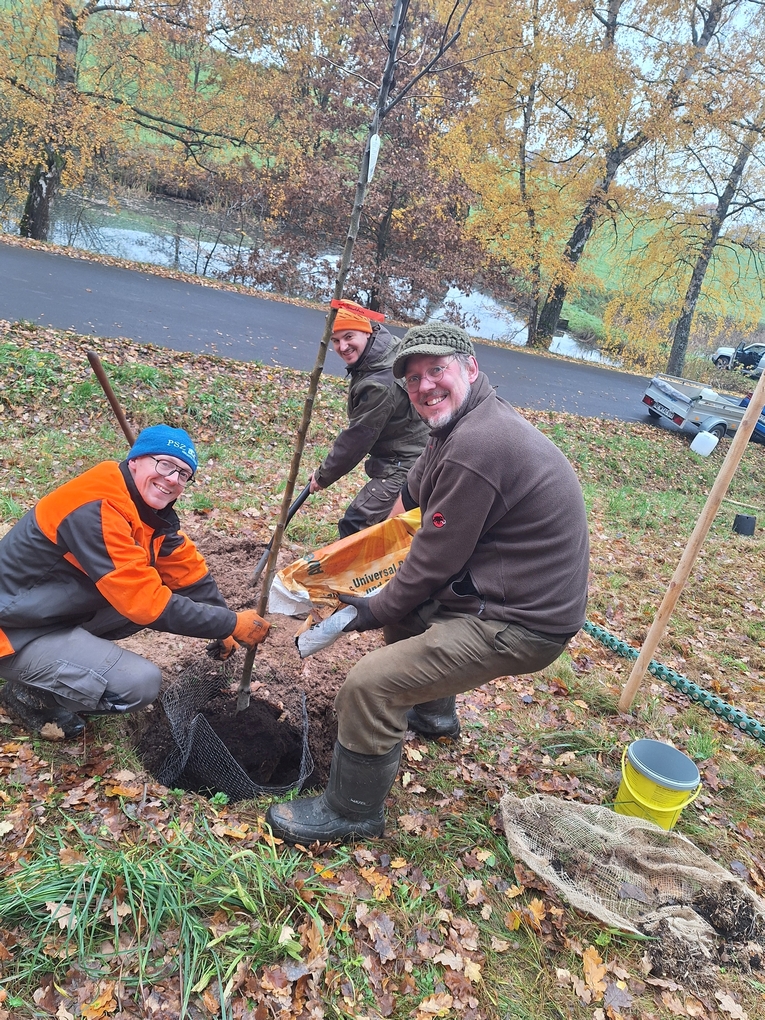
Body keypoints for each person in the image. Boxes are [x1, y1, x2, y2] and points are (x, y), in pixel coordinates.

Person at [267, 322, 590, 845]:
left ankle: (352, 813)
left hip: (522, 622)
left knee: (370, 685)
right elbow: (407, 509)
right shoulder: (454, 429)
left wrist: (370, 609)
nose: (425, 386)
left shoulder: (478, 445)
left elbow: (433, 561)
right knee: (406, 610)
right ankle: (433, 714)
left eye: (437, 370)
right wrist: (367, 563)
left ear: (471, 368)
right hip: (494, 590)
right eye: (413, 378)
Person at [0, 424, 269, 739]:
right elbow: (145, 603)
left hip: (46, 611)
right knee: (138, 684)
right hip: (13, 627)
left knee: (139, 602)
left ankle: (50, 670)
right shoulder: (97, 506)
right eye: (165, 465)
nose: (173, 479)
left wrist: (221, 624)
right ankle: (30, 695)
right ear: (135, 460)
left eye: (183, 474)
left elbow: (188, 571)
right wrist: (231, 622)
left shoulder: (146, 510)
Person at [309, 298, 428, 537]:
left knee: (356, 523)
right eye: (336, 340)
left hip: (408, 463)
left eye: (349, 336)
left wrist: (322, 477)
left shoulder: (379, 383)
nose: (342, 346)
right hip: (410, 454)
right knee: (386, 528)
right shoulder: (384, 350)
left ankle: (357, 564)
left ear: (367, 331)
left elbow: (358, 438)